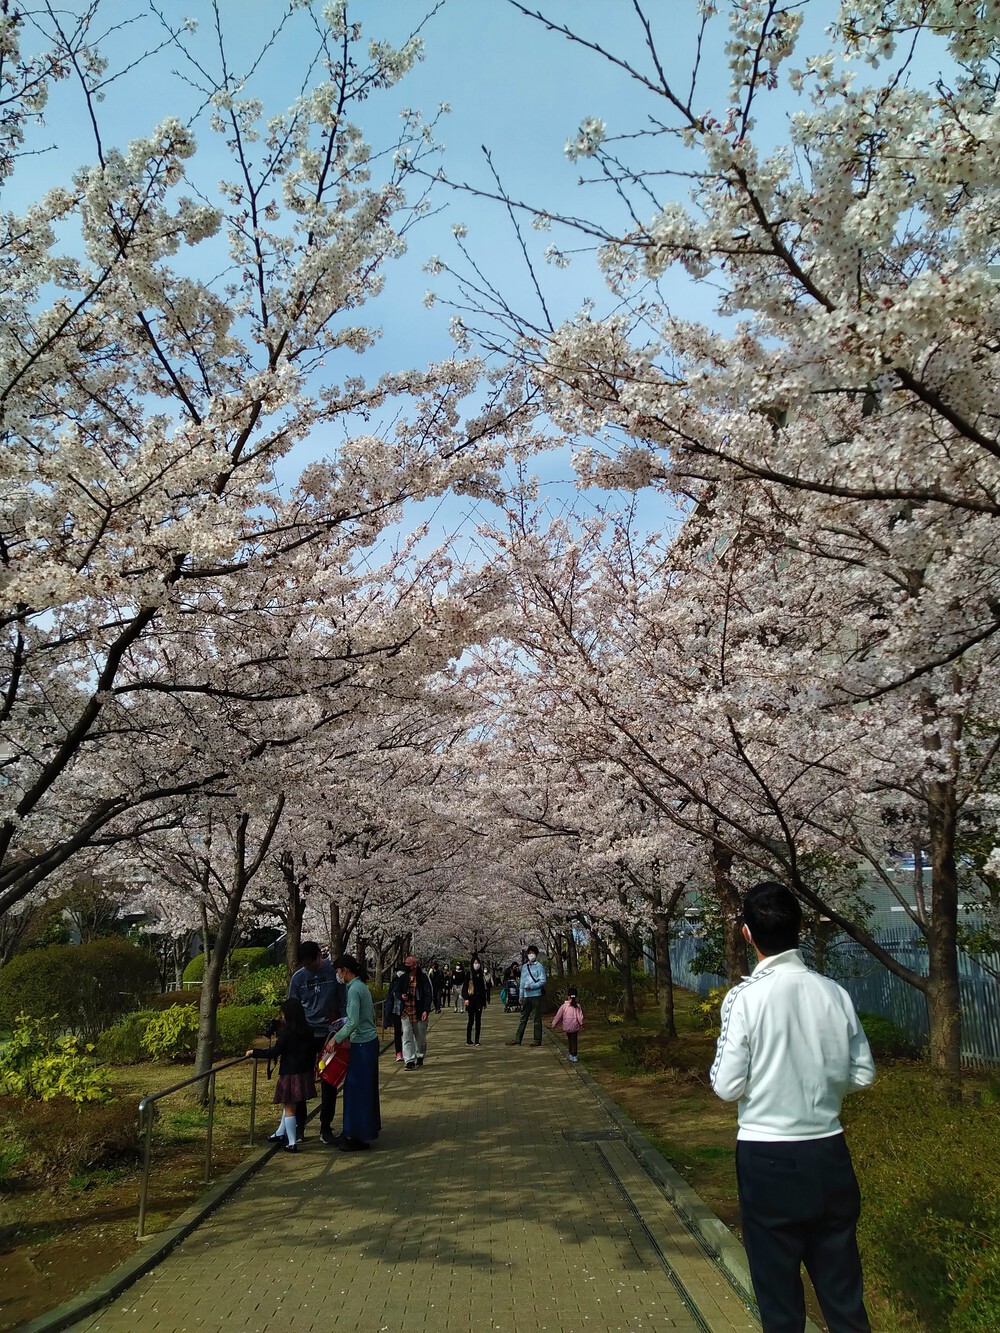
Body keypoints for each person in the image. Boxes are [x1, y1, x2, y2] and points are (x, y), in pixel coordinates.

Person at [710, 881, 876, 1333]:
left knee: (780, 1303)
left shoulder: (745, 997)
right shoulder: (833, 993)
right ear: (801, 927)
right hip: (829, 1153)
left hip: (767, 1156)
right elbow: (863, 1074)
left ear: (746, 934)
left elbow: (726, 1087)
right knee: (844, 1296)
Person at [287, 940, 346, 1145]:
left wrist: (341, 1030)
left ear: (319, 956)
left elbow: (343, 1001)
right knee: (302, 1081)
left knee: (329, 1081)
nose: (307, 968)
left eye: (310, 964)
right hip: (305, 1035)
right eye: (303, 965)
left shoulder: (333, 973)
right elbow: (292, 1007)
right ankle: (300, 1126)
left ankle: (325, 1127)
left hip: (329, 1034)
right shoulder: (298, 978)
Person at [247, 998, 315, 1153]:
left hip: (289, 1074)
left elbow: (274, 1052)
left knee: (289, 1107)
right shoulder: (308, 1030)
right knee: (291, 1105)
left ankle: (291, 1141)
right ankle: (280, 1132)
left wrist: (254, 1052)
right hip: (304, 1072)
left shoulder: (287, 1034)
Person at [331, 954, 380, 1150]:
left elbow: (353, 1021)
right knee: (362, 1089)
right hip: (368, 1042)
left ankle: (356, 1134)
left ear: (345, 971)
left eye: (338, 972)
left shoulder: (354, 990)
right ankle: (359, 1131)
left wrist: (336, 1039)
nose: (337, 975)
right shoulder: (360, 987)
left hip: (362, 1044)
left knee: (356, 1089)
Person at [507, 946, 546, 1046]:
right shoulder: (524, 967)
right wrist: (520, 995)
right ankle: (517, 1039)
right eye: (529, 953)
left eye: (533, 953)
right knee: (523, 1017)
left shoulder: (539, 966)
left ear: (536, 955)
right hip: (526, 996)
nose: (531, 955)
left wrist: (532, 986)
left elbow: (543, 980)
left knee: (536, 1018)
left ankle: (537, 1039)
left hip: (536, 995)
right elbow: (522, 982)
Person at [399, 953, 433, 1069]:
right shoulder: (403, 977)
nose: (406, 966)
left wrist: (426, 1010)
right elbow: (397, 991)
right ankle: (409, 1060)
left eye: (408, 964)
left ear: (414, 965)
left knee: (420, 1038)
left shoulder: (423, 977)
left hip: (419, 1011)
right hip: (406, 1011)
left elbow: (428, 994)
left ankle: (420, 1055)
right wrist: (401, 996)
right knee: (407, 1035)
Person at [550, 987, 584, 1062]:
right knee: (574, 1040)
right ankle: (574, 1055)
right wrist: (581, 1023)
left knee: (569, 1040)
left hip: (567, 1026)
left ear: (568, 996)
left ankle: (571, 1053)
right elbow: (579, 1016)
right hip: (575, 1026)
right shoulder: (577, 1006)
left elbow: (558, 1015)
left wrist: (554, 1024)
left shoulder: (564, 1006)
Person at [382, 962, 407, 1062]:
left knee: (401, 1032)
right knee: (400, 1032)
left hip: (403, 1010)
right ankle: (400, 1052)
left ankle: (401, 1053)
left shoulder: (404, 980)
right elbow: (390, 998)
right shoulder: (395, 981)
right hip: (396, 1010)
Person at [462, 955, 487, 1046]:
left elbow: (483, 989)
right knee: (471, 1020)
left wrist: (484, 1002)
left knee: (478, 1021)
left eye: (478, 963)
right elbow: (464, 988)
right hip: (471, 999)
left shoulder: (481, 974)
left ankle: (477, 1039)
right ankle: (468, 1039)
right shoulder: (469, 974)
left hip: (479, 1000)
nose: (477, 965)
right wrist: (466, 998)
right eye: (475, 963)